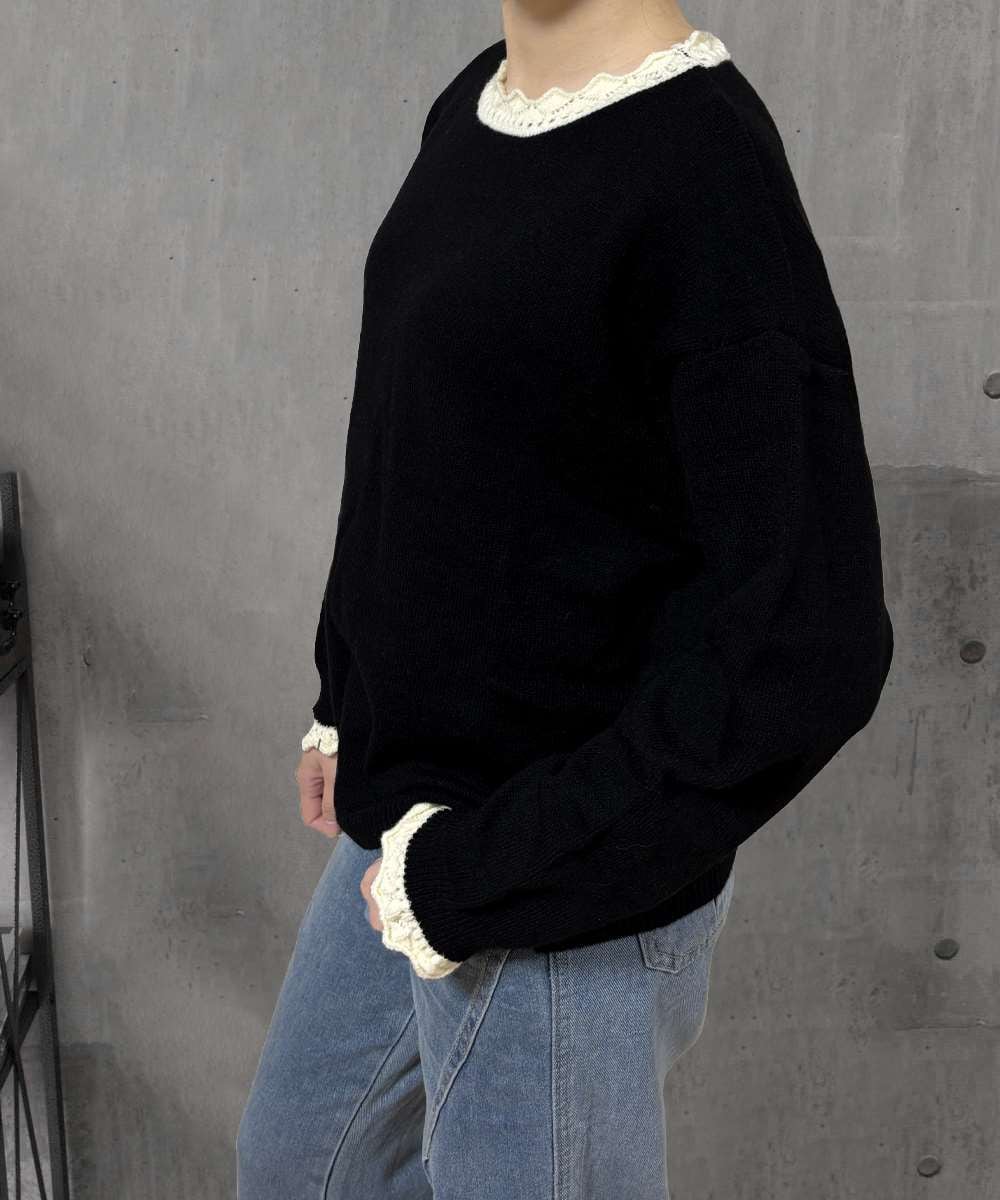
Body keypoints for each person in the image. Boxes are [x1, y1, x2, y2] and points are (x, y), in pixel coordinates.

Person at [237, 1, 894, 1196]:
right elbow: (417, 437)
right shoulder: (478, 103)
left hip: (560, 882)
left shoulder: (704, 169)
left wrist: (487, 871)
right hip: (413, 810)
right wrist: (351, 696)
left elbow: (809, 637)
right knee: (300, 1171)